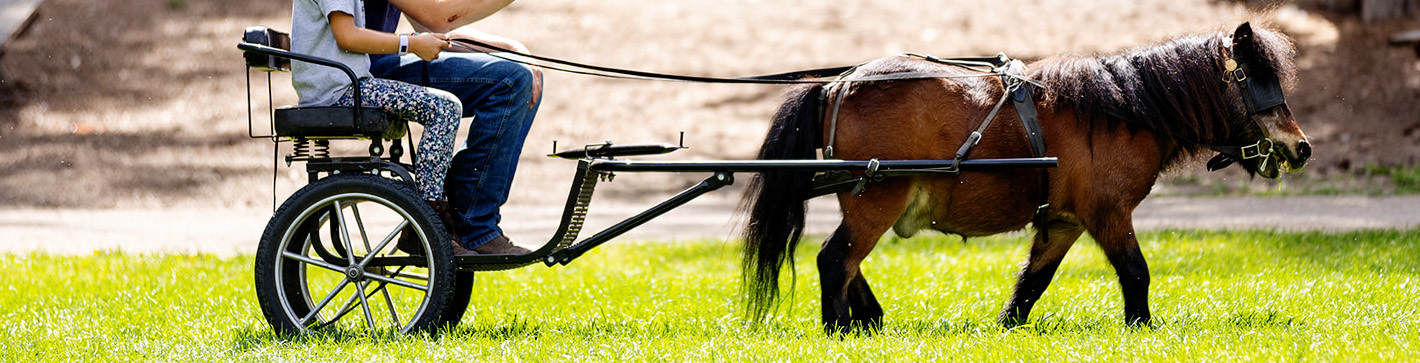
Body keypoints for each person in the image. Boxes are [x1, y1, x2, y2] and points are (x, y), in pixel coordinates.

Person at [363, 0, 541, 255]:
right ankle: (472, 225)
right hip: (369, 74)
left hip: (385, 60)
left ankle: (464, 216)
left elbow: (434, 27)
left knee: (526, 75)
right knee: (512, 81)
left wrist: (511, 48)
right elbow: (439, 17)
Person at [289, 0, 470, 251]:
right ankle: (429, 225)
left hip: (345, 86)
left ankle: (429, 217)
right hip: (341, 91)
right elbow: (346, 36)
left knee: (443, 106)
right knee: (444, 108)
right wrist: (411, 44)